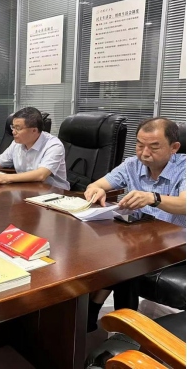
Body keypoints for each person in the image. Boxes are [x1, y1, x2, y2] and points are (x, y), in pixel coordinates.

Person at [83, 117, 186, 332]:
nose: (144, 153)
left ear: (174, 147)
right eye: (139, 145)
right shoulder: (132, 164)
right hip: (143, 240)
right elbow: (96, 185)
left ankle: (112, 320)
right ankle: (111, 320)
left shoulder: (184, 167)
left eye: (154, 147)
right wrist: (97, 190)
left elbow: (184, 204)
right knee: (106, 253)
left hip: (177, 245)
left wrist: (153, 198)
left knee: (127, 265)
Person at [0, 107, 69, 189]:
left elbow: (41, 175)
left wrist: (6, 178)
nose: (13, 132)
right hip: (25, 188)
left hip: (53, 194)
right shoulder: (17, 143)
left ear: (34, 130)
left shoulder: (53, 145)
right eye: (13, 127)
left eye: (18, 128)